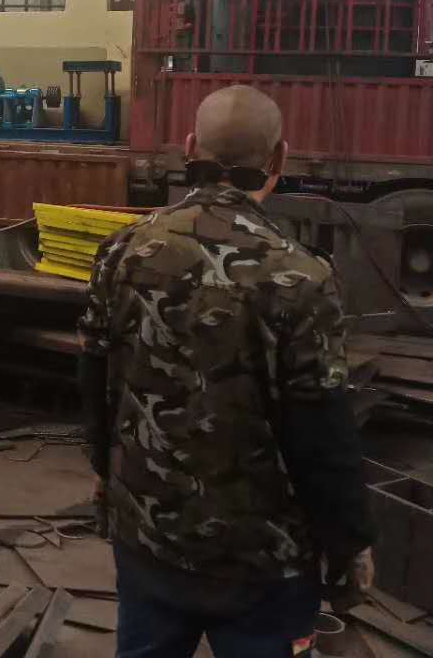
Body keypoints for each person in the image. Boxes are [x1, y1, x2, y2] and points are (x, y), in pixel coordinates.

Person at [78, 84, 374, 658]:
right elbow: (322, 430)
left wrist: (102, 471)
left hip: (149, 536)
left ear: (190, 147)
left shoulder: (122, 251)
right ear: (279, 159)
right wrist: (351, 542)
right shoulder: (301, 276)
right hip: (263, 563)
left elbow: (94, 377)